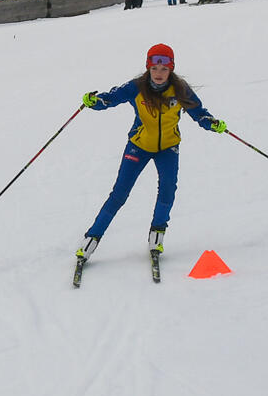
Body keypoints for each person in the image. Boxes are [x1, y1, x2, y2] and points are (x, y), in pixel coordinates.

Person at [75, 42, 224, 268]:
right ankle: (91, 239)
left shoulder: (181, 90)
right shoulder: (137, 87)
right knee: (119, 194)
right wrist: (94, 102)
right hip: (139, 146)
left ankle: (157, 235)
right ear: (148, 67)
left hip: (168, 148)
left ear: (171, 68)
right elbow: (110, 98)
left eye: (164, 69)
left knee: (167, 190)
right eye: (154, 68)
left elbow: (199, 114)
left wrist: (211, 123)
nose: (159, 73)